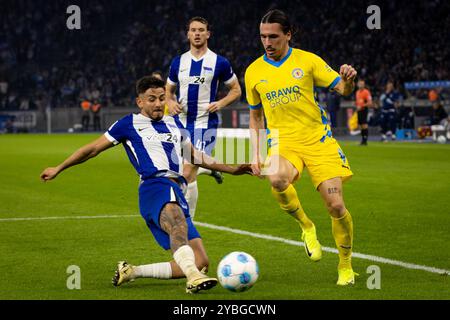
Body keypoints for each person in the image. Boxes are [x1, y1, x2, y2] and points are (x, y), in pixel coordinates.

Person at [40, 76, 251, 293]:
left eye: (161, 98)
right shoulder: (127, 124)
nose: (158, 103)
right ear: (140, 102)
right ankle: (194, 278)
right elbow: (92, 149)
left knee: (200, 261)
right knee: (178, 225)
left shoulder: (173, 123)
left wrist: (233, 169)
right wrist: (59, 167)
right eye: (151, 99)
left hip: (176, 189)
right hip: (154, 186)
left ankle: (133, 271)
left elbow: (196, 156)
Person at [245, 9, 358, 286]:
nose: (267, 42)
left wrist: (349, 79)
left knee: (335, 205)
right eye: (263, 37)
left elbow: (343, 90)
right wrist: (256, 153)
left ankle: (345, 266)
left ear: (288, 34)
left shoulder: (308, 61)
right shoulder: (253, 72)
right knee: (276, 177)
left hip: (318, 140)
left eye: (273, 36)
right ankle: (306, 226)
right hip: (283, 142)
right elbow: (256, 116)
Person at [166, 16, 242, 220]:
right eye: (193, 30)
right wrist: (170, 102)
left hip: (204, 124)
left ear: (208, 34)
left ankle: (187, 223)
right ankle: (209, 171)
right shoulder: (178, 62)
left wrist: (221, 103)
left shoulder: (219, 62)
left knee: (189, 169)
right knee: (180, 170)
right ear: (188, 34)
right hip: (179, 123)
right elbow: (168, 91)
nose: (197, 33)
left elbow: (236, 90)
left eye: (201, 30)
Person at [355, 79, 373, 145]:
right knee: (361, 125)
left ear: (364, 85)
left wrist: (362, 105)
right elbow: (358, 102)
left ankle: (365, 140)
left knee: (364, 124)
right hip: (359, 110)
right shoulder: (357, 92)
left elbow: (370, 102)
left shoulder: (366, 92)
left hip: (364, 110)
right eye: (360, 84)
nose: (361, 85)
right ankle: (363, 139)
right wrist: (357, 105)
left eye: (362, 84)